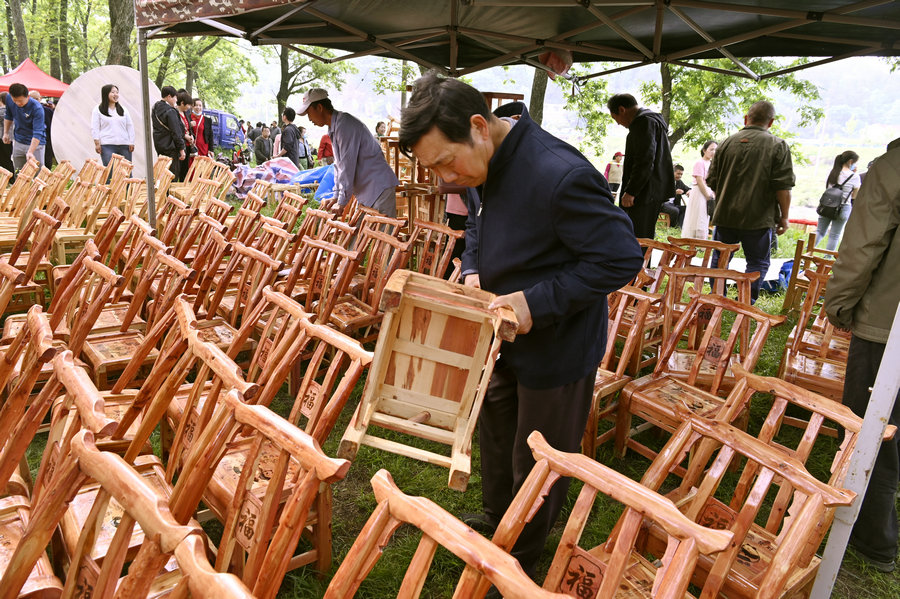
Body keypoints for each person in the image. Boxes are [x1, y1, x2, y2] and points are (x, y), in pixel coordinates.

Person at [398, 73, 643, 579]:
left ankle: (519, 562)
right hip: (500, 335)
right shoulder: (484, 164)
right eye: (433, 169)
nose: (444, 179)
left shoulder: (558, 173)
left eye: (446, 162)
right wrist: (471, 268)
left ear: (478, 127)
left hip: (556, 344)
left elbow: (620, 257)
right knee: (496, 429)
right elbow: (480, 226)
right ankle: (495, 518)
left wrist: (534, 302)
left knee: (540, 459)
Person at [824, 137, 900, 573]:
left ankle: (874, 536)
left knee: (870, 431)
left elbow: (862, 245)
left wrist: (840, 304)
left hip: (887, 327)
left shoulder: (893, 167)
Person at [706, 100, 795, 302]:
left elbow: (712, 181)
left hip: (726, 215)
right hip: (758, 218)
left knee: (721, 259)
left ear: (746, 119)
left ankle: (717, 298)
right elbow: (783, 187)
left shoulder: (725, 144)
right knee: (757, 262)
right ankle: (745, 303)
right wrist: (785, 217)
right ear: (771, 122)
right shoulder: (778, 145)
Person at [300, 88, 399, 217]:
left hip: (378, 188)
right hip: (368, 190)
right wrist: (336, 196)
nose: (309, 119)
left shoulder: (344, 125)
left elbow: (347, 166)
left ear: (319, 107)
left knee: (383, 235)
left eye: (309, 113)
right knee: (363, 235)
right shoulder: (334, 127)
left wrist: (341, 201)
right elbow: (339, 165)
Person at [607, 93, 674, 239]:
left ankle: (637, 262)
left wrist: (631, 191)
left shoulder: (643, 122)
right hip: (652, 190)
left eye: (615, 118)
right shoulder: (652, 121)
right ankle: (640, 262)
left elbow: (644, 160)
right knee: (643, 236)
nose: (618, 123)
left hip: (644, 193)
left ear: (622, 110)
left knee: (637, 237)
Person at [816, 150, 861, 252]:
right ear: (850, 161)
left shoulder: (833, 172)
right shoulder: (854, 176)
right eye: (854, 163)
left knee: (819, 231)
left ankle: (806, 255)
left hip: (826, 205)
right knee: (834, 235)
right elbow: (855, 196)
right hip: (843, 207)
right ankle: (827, 258)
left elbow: (828, 188)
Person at [3, 83, 46, 169]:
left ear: (28, 96)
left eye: (21, 101)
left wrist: (30, 151)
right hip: (18, 140)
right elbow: (8, 116)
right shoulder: (9, 99)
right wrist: (6, 133)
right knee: (18, 171)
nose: (18, 103)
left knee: (37, 171)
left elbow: (38, 132)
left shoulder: (37, 108)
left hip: (35, 143)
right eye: (15, 100)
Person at [91, 84, 135, 165]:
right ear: (105, 94)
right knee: (110, 172)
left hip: (124, 145)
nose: (116, 94)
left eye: (117, 92)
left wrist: (131, 142)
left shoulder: (124, 110)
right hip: (107, 146)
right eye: (113, 92)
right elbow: (95, 127)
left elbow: (130, 126)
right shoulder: (97, 109)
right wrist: (97, 143)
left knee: (126, 172)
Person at [682, 141, 718, 239]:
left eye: (715, 150)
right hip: (699, 191)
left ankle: (702, 241)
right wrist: (707, 195)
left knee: (705, 217)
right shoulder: (699, 162)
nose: (713, 152)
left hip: (708, 191)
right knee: (698, 216)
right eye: (711, 149)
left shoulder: (711, 164)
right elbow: (699, 180)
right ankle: (694, 240)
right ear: (704, 150)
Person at [151, 85, 186, 180]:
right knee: (172, 175)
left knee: (162, 173)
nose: (176, 100)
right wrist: (181, 149)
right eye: (175, 98)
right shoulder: (170, 111)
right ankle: (169, 194)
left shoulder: (155, 108)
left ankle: (163, 194)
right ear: (169, 96)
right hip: (171, 147)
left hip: (159, 145)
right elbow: (176, 131)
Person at [175, 90, 195, 179]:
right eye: (188, 105)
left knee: (184, 170)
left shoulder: (185, 113)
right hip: (179, 145)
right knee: (177, 170)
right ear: (182, 103)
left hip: (187, 145)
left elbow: (188, 128)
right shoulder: (174, 113)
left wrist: (191, 136)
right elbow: (176, 129)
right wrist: (184, 136)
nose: (189, 107)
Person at [0, 92, 13, 173]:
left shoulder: (1, 111)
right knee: (11, 158)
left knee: (3, 159)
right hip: (14, 137)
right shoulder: (14, 110)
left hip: (2, 138)